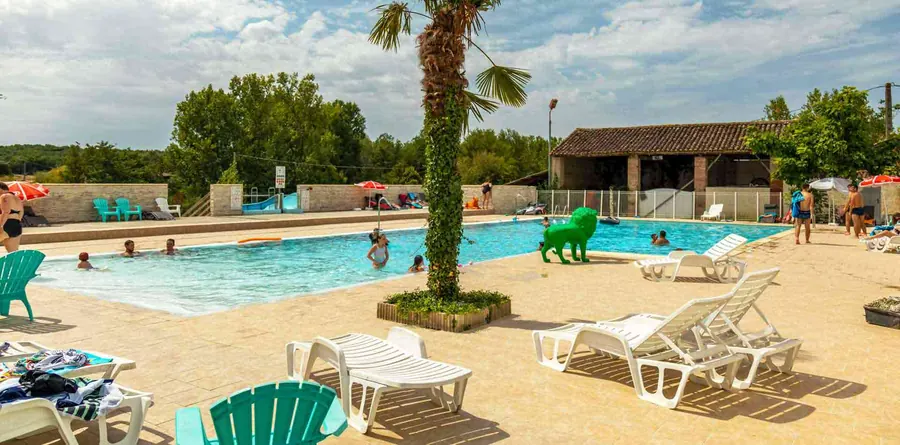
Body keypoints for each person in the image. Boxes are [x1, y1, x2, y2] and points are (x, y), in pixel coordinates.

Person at [0, 183, 24, 253]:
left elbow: (6, 212)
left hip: (6, 224)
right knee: (13, 253)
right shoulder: (18, 199)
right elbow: (21, 213)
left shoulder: (4, 196)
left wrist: (1, 226)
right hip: (17, 225)